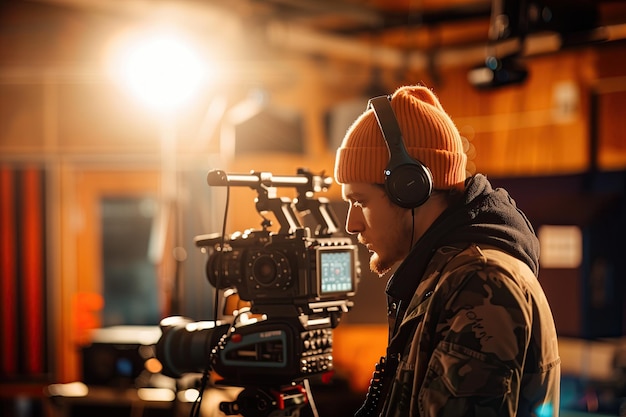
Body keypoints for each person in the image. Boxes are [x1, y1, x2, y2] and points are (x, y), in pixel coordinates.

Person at [333, 85, 561, 417]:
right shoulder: (447, 277)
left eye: (360, 201)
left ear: (408, 189)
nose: (351, 224)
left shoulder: (480, 284)